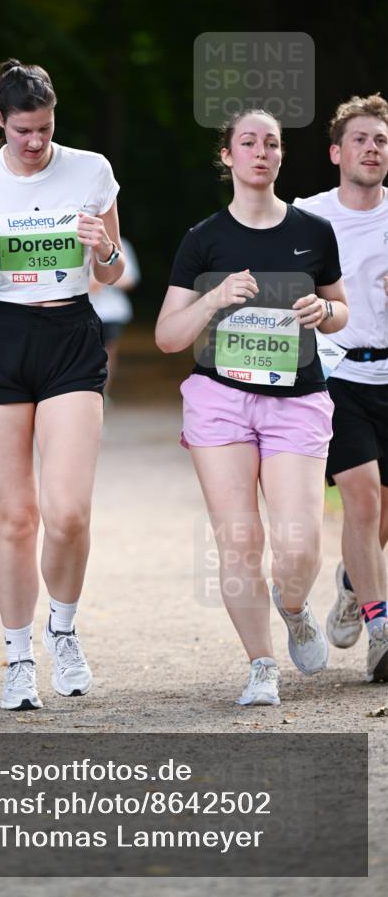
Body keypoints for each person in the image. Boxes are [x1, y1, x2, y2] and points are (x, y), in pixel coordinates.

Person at [0, 59, 124, 710]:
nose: (34, 143)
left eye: (43, 129)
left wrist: (102, 248)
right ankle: (17, 657)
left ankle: (63, 631)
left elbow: (111, 271)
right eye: (22, 131)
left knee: (67, 512)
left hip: (70, 335)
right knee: (16, 517)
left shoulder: (91, 170)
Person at [155, 109, 348, 707]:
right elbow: (167, 336)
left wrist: (324, 313)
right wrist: (213, 296)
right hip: (221, 401)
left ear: (281, 156)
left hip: (297, 400)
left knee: (299, 546)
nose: (261, 152)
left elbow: (340, 310)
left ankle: (293, 608)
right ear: (228, 157)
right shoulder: (203, 239)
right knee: (239, 540)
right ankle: (261, 665)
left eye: (272, 143)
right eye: (248, 142)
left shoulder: (315, 232)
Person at [293, 93, 388, 683]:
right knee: (363, 497)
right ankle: (382, 631)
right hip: (339, 375)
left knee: (381, 518)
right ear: (336, 151)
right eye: (361, 139)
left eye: (380, 141)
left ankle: (355, 583)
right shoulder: (307, 216)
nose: (372, 148)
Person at [89, 238, 141, 399]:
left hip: (111, 312)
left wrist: (103, 280)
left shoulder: (121, 244)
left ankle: (102, 392)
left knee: (107, 353)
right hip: (82, 310)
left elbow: (130, 279)